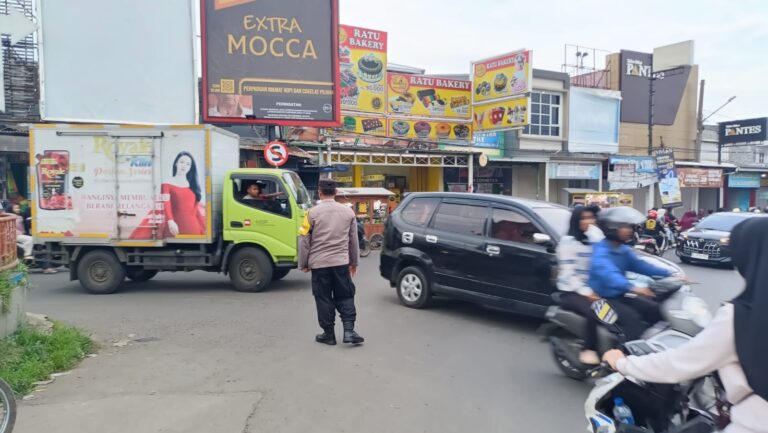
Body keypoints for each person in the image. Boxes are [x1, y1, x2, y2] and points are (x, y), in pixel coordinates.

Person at [603, 217, 768, 433]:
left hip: (752, 424)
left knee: (640, 316)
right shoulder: (602, 249)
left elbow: (680, 364)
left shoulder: (740, 316)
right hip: (607, 296)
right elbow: (609, 273)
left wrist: (623, 364)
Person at [588, 207, 673, 341]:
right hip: (601, 300)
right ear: (612, 228)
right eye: (624, 227)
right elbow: (609, 274)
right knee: (632, 319)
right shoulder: (600, 251)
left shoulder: (623, 250)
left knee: (655, 309)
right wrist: (633, 287)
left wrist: (670, 274)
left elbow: (642, 266)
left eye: (629, 227)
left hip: (620, 295)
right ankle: (627, 356)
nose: (630, 230)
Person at [299, 179, 363, 346]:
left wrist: (303, 263)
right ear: (335, 193)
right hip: (341, 263)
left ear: (320, 193)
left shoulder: (311, 213)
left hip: (319, 265)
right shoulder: (348, 213)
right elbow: (353, 240)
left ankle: (329, 334)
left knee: (323, 297)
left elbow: (304, 240)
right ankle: (349, 331)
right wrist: (354, 262)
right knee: (346, 295)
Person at [556, 205, 603, 365]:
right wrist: (587, 292)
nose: (589, 221)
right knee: (595, 312)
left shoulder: (593, 238)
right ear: (576, 221)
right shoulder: (568, 242)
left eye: (591, 217)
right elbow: (569, 273)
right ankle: (588, 349)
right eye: (584, 218)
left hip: (592, 288)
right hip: (571, 291)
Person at [162, 152, 205, 237]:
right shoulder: (167, 183)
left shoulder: (193, 185)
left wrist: (203, 227)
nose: (184, 166)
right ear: (176, 163)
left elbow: (195, 210)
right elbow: (166, 204)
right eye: (182, 162)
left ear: (190, 167)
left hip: (193, 227)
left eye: (188, 164)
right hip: (174, 228)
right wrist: (170, 221)